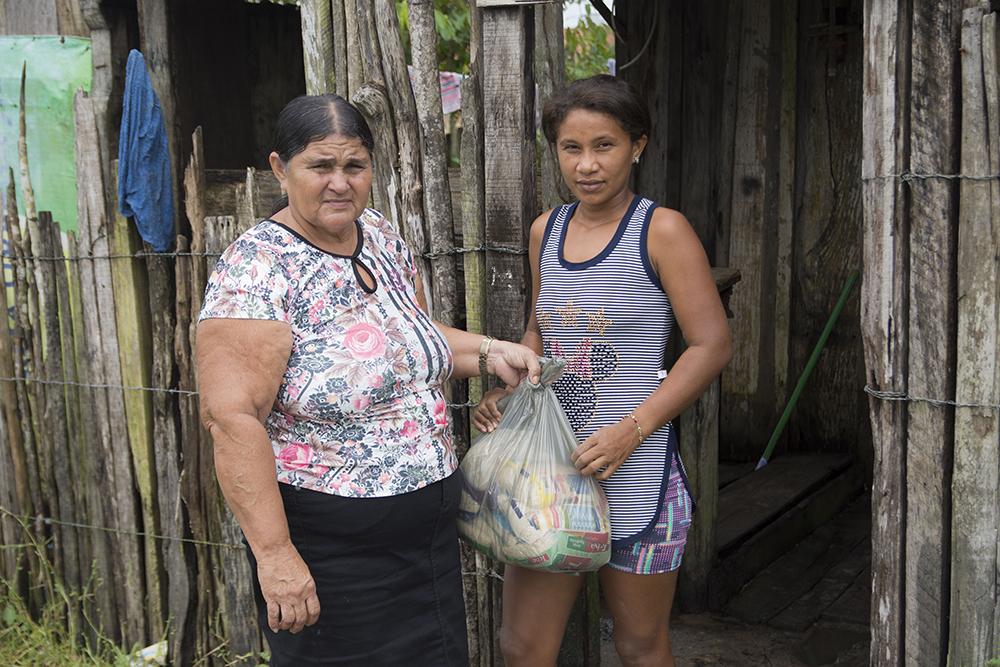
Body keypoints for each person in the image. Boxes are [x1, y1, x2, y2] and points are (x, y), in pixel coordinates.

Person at [195, 93, 540, 666]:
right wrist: (277, 557)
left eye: (354, 166)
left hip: (424, 543)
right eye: (320, 166)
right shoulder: (258, 267)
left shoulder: (376, 235)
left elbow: (408, 341)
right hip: (333, 551)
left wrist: (488, 351)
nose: (339, 183)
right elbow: (230, 420)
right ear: (281, 169)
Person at [472, 74, 732, 666]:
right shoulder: (547, 230)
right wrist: (510, 389)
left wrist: (630, 432)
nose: (587, 165)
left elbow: (711, 345)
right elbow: (544, 332)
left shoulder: (661, 230)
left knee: (640, 646)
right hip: (554, 475)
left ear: (638, 144)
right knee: (523, 648)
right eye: (571, 148)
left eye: (604, 145)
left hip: (641, 474)